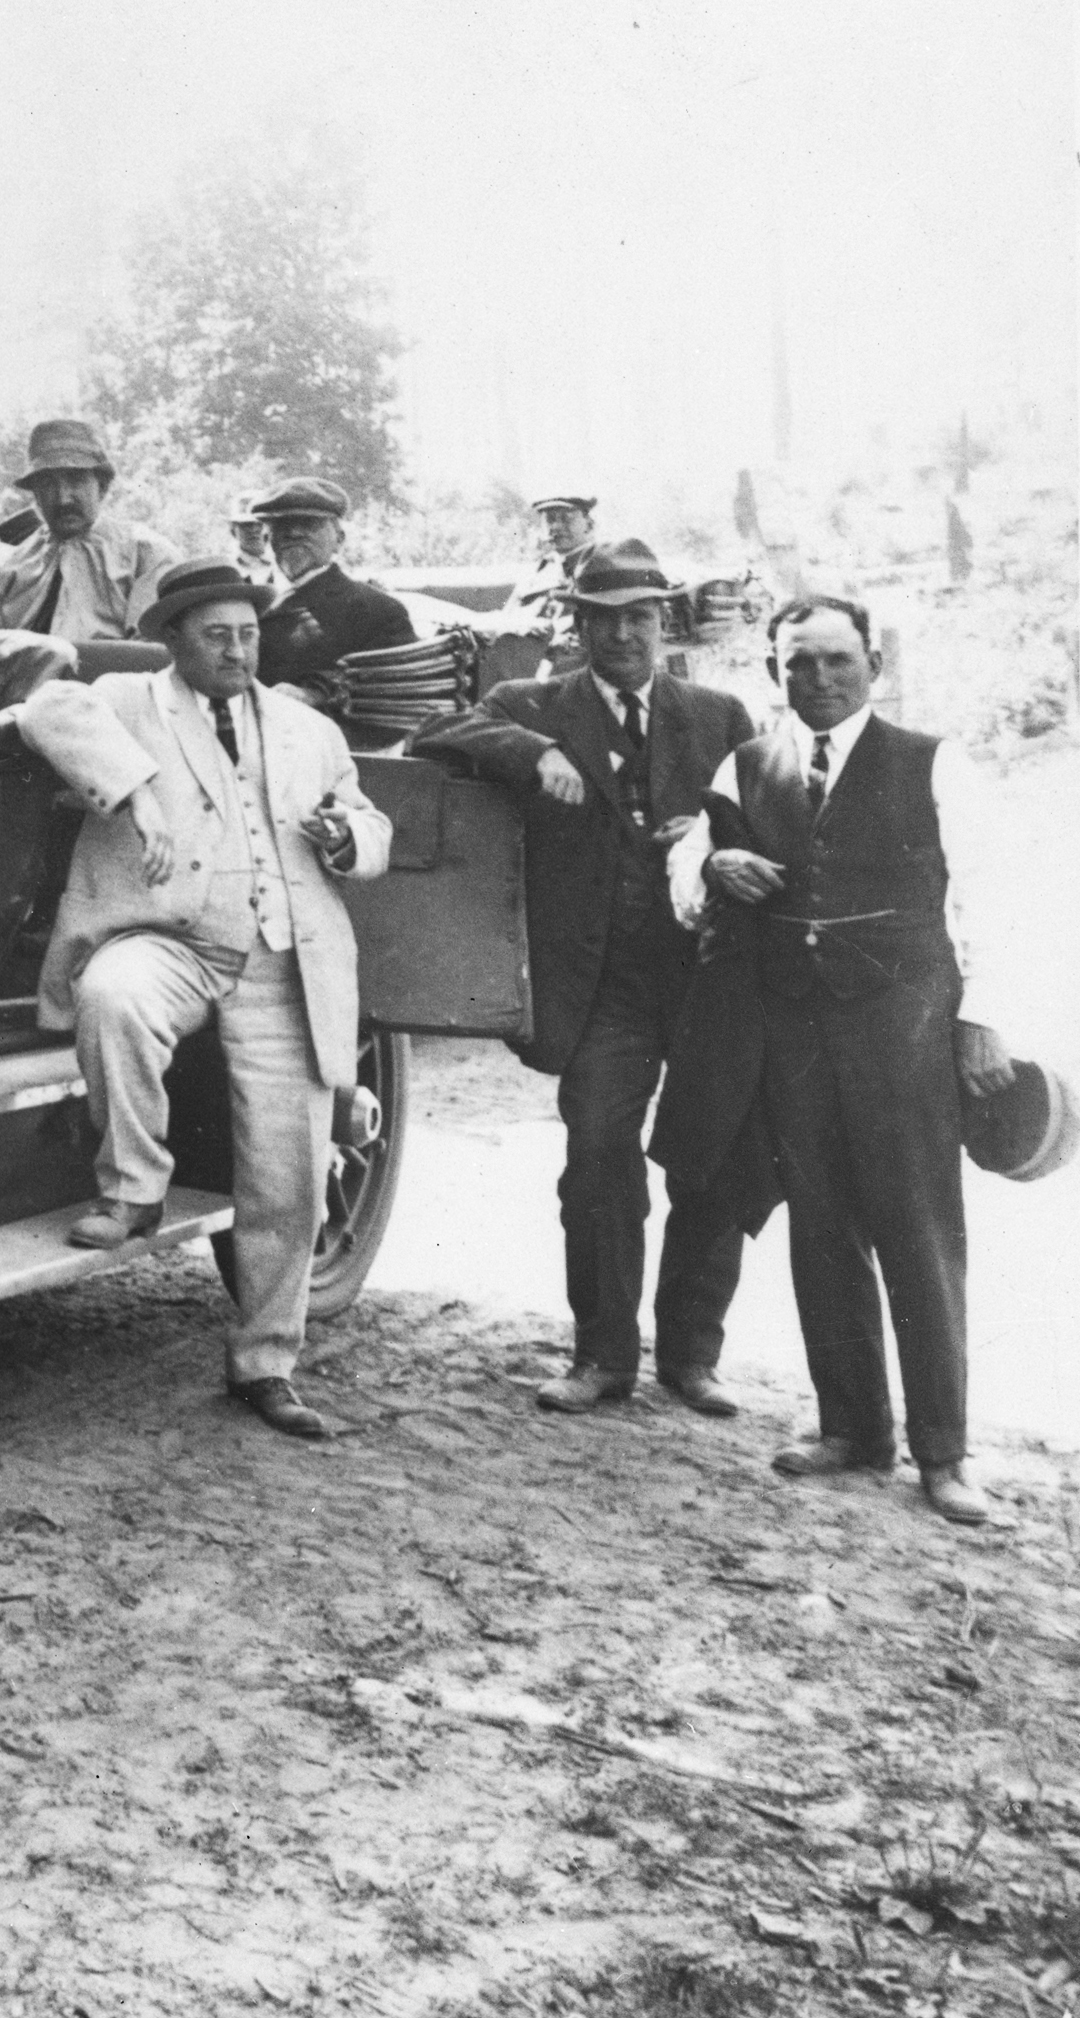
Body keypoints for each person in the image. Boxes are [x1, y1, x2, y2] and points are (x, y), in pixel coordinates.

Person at [12, 556, 392, 1439]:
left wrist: (346, 839)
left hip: (277, 953)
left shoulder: (305, 728)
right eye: (216, 635)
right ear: (172, 638)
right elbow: (43, 708)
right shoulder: (123, 698)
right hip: (167, 936)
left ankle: (266, 1362)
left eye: (248, 634)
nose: (236, 650)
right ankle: (134, 1188)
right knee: (112, 994)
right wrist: (136, 790)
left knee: (286, 1163)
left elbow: (368, 818)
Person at [669, 596, 1019, 1525]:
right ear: (771, 670)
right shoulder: (746, 764)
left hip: (902, 1020)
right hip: (792, 1024)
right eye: (797, 665)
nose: (818, 680)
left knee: (916, 1227)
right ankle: (852, 1428)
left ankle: (942, 1452)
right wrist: (711, 870)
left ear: (873, 663)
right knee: (818, 1224)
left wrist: (979, 1019)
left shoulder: (932, 760)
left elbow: (986, 893)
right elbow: (687, 863)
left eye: (836, 661)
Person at [410, 538, 765, 1415]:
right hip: (602, 985)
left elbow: (771, 824)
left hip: (705, 976)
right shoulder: (527, 702)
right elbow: (432, 731)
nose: (622, 635)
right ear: (576, 625)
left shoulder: (719, 715)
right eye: (602, 618)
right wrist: (532, 753)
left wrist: (713, 839)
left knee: (711, 1161)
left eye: (638, 616)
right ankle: (602, 1355)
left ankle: (691, 1355)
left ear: (663, 621)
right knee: (599, 1157)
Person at [0, 417, 177, 644]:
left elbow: (151, 654)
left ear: (101, 487)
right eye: (48, 484)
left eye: (76, 480)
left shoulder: (144, 552)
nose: (63, 498)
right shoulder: (10, 570)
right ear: (36, 496)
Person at [250, 477, 416, 697]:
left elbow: (397, 690)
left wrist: (317, 694)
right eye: (282, 525)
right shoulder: (240, 600)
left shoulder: (376, 611)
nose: (294, 533)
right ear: (265, 538)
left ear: (339, 539)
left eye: (310, 524)